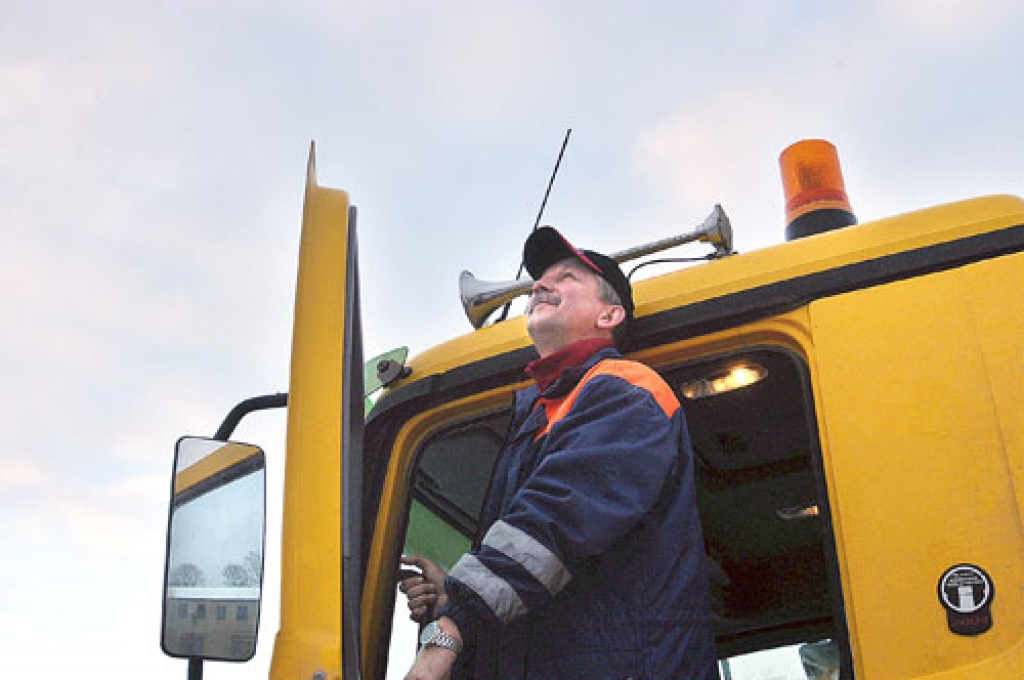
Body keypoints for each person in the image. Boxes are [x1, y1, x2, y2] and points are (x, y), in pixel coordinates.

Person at [401, 226, 719, 680]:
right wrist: (452, 597)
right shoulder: (538, 416)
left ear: (609, 316)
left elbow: (555, 521)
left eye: (567, 277)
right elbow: (535, 569)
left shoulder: (628, 390)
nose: (541, 285)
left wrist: (451, 629)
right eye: (541, 280)